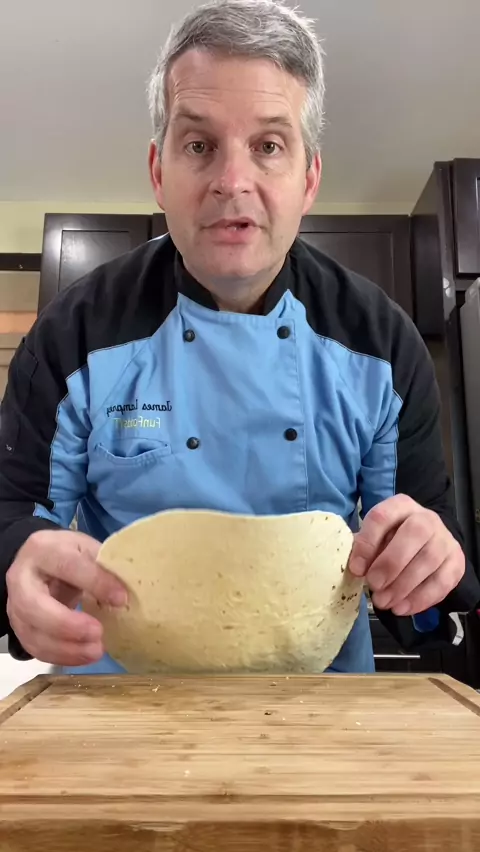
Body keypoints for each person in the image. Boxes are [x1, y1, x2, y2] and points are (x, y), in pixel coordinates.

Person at [1, 0, 479, 675]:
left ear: (309, 178)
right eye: (199, 146)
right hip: (119, 703)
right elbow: (13, 511)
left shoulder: (381, 344)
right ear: (158, 170)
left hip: (320, 704)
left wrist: (428, 565)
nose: (232, 182)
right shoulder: (73, 334)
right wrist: (18, 567)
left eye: (269, 146)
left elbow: (419, 564)